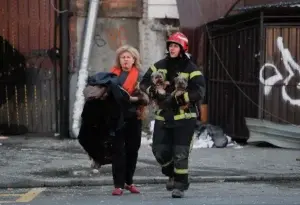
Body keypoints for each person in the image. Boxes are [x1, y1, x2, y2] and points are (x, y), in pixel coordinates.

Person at [140, 32, 206, 198]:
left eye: (175, 46)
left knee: (180, 153)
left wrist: (180, 99)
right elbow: (144, 82)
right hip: (164, 116)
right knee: (159, 151)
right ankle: (172, 173)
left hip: (184, 118)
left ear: (183, 48)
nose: (172, 48)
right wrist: (154, 91)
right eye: (170, 45)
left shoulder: (191, 68)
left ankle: (180, 186)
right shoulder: (159, 65)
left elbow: (199, 90)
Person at [109, 45, 148, 196]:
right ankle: (118, 185)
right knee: (118, 151)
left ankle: (129, 182)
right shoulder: (112, 75)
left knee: (133, 149)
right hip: (116, 117)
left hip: (134, 116)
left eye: (128, 57)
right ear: (119, 60)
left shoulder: (140, 75)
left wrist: (134, 98)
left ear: (134, 60)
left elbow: (146, 97)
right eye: (123, 57)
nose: (125, 60)